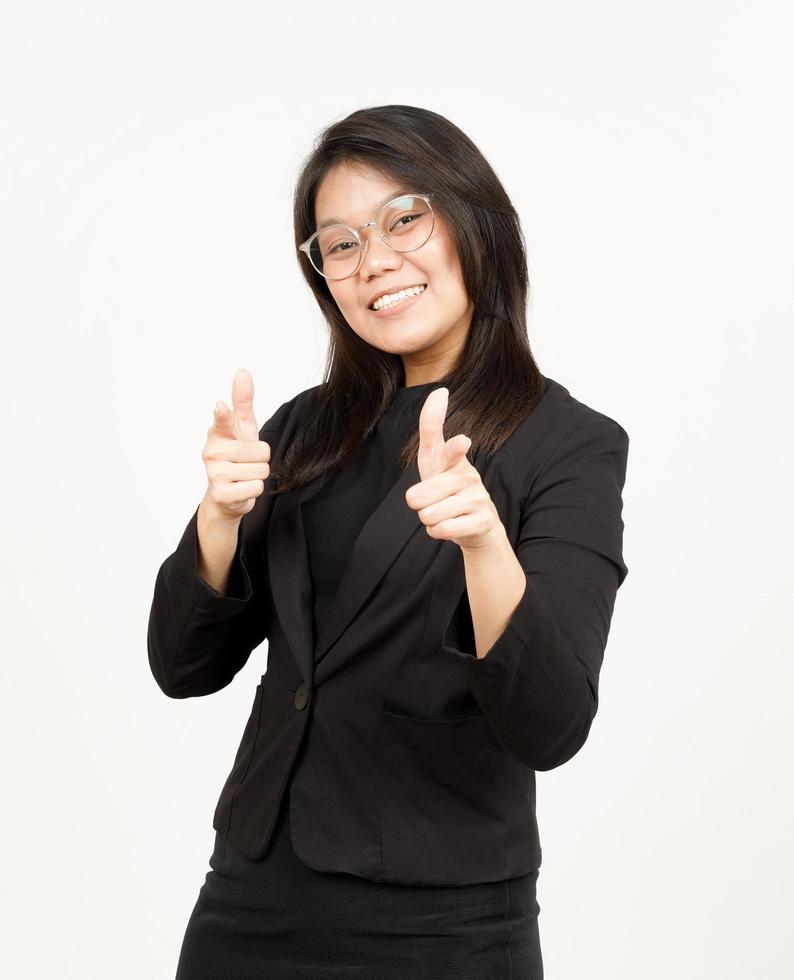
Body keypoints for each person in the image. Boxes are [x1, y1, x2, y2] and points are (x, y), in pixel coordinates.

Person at [147, 104, 630, 980]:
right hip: (250, 902)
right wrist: (216, 519)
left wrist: (485, 545)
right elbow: (184, 667)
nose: (375, 261)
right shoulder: (306, 427)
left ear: (474, 222)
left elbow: (551, 726)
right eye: (338, 243)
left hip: (443, 927)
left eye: (405, 218)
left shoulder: (570, 443)